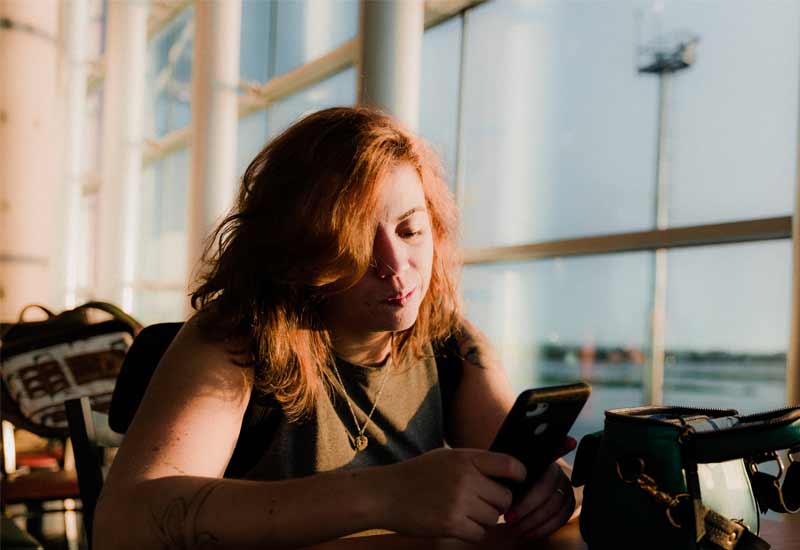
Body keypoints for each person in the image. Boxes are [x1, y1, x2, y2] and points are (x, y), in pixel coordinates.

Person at [93, 106, 578, 549]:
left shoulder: (449, 340)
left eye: (411, 230)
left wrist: (545, 485)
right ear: (299, 249)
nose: (395, 265)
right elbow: (124, 525)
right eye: (356, 242)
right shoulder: (239, 336)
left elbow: (512, 466)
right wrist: (385, 494)